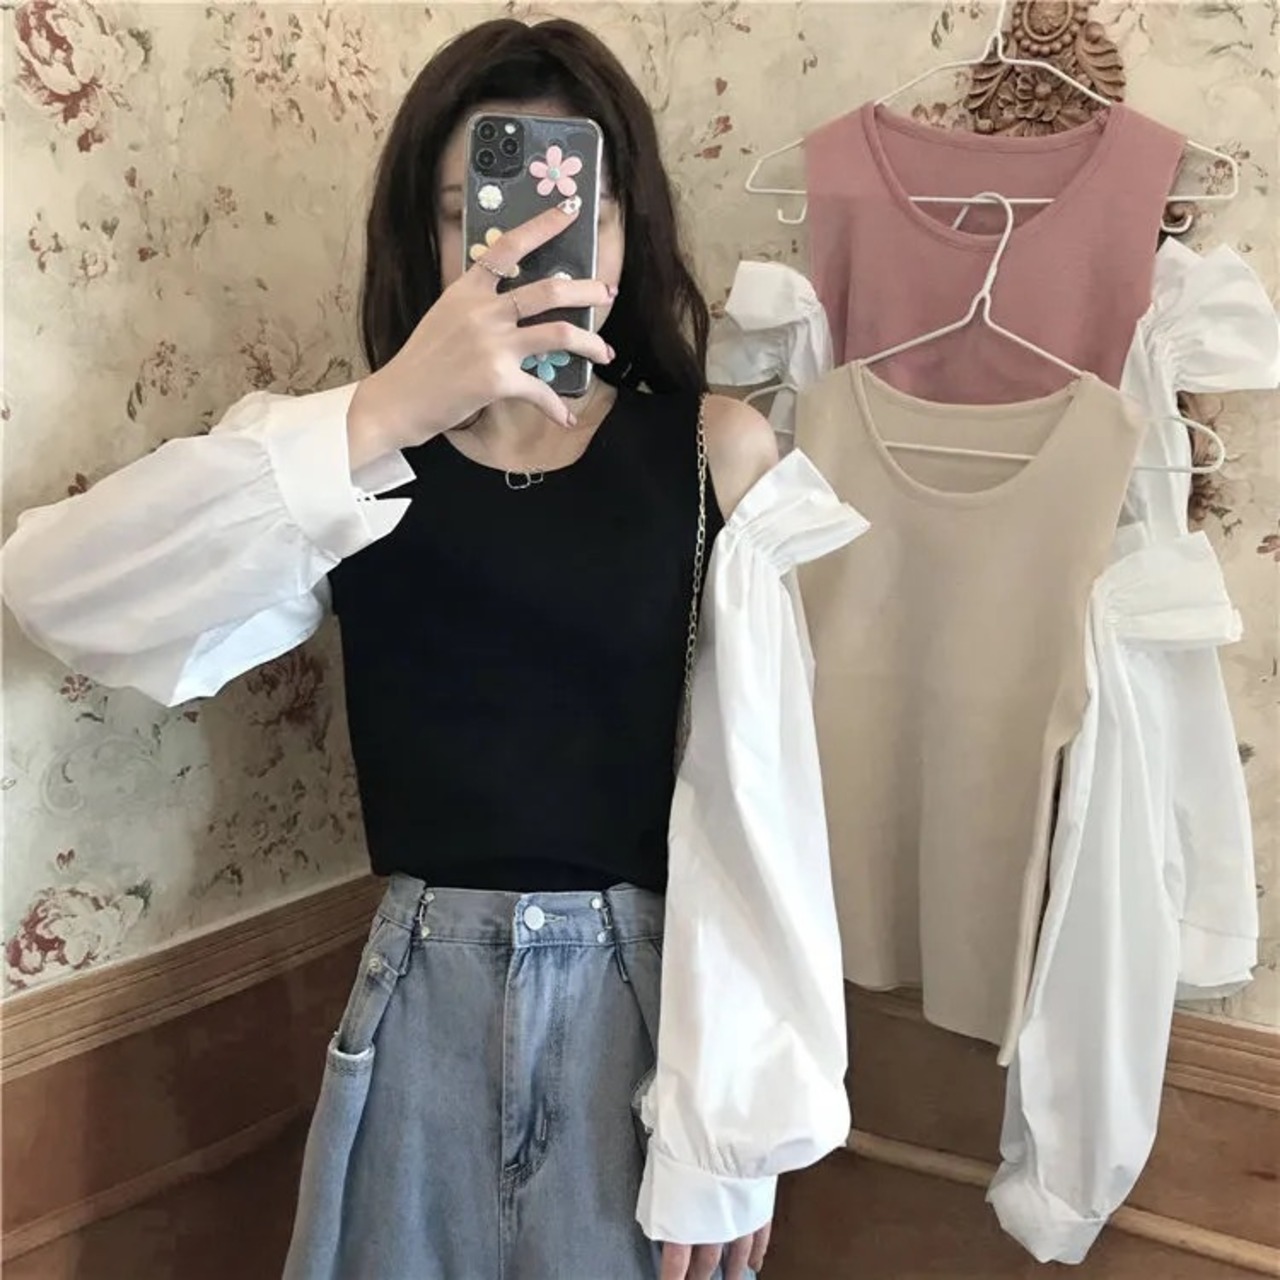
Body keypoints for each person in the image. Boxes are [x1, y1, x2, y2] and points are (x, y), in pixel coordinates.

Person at [2, 18, 858, 1280]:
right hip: (416, 999)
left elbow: (762, 807)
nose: (527, 250)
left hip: (641, 1011)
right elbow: (58, 592)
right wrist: (385, 407)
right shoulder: (345, 463)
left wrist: (730, 1136)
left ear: (629, 234)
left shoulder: (711, 452)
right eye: (476, 214)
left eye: (581, 214)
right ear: (424, 235)